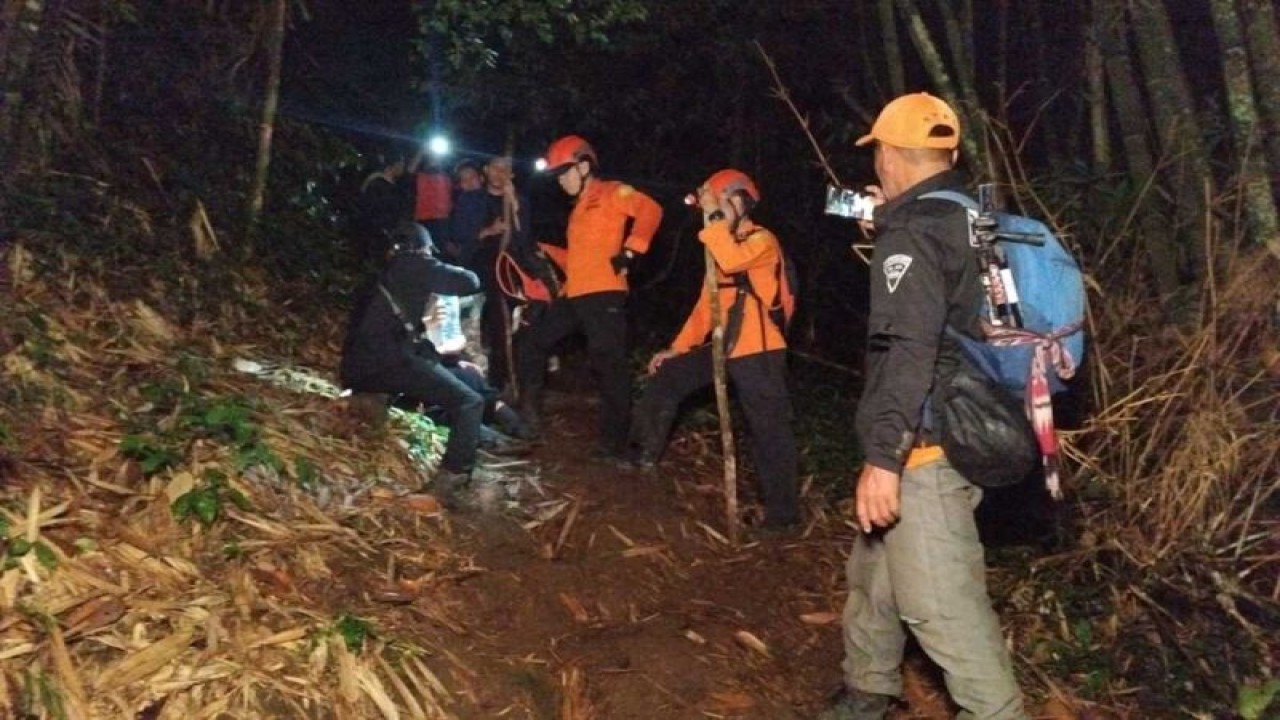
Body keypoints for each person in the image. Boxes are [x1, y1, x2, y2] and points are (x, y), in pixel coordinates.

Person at [822, 93, 1029, 719]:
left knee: (943, 609)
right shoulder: (974, 218)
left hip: (925, 443)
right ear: (950, 156)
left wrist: (884, 457)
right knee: (877, 575)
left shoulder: (914, 235)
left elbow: (907, 348)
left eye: (878, 153)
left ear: (888, 154)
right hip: (976, 420)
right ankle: (866, 691)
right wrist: (891, 225)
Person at [629, 169, 799, 528]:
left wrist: (715, 218)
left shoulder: (762, 241)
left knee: (769, 431)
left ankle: (782, 516)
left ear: (740, 201)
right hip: (724, 347)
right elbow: (707, 307)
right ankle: (642, 455)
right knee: (669, 376)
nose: (713, 211)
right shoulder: (720, 246)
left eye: (721, 202)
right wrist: (677, 349)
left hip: (759, 351)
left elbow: (733, 259)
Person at [515, 135, 663, 459]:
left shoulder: (612, 192)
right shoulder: (577, 211)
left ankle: (615, 444)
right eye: (557, 176)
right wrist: (545, 250)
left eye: (564, 172)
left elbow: (651, 209)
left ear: (584, 167)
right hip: (574, 294)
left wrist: (631, 250)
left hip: (604, 293)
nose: (561, 181)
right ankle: (529, 419)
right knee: (533, 342)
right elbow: (578, 260)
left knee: (609, 365)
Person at [338, 221, 489, 501]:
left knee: (438, 377)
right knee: (469, 402)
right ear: (421, 248)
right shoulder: (415, 264)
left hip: (356, 368)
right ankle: (454, 477)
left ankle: (490, 437)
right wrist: (435, 262)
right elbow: (470, 281)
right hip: (386, 363)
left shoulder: (382, 272)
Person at [448, 156, 534, 390]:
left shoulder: (519, 202)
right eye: (495, 167)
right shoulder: (471, 199)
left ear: (512, 175)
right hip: (475, 271)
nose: (500, 173)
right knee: (470, 328)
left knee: (502, 327)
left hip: (505, 274)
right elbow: (458, 233)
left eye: (506, 169)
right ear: (486, 170)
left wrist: (514, 205)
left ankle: (500, 382)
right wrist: (488, 231)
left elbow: (524, 239)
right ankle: (468, 380)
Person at [355, 154, 412, 263]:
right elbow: (375, 209)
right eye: (401, 164)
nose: (403, 168)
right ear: (393, 166)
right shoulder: (378, 185)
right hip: (378, 232)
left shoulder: (390, 185)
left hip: (384, 231)